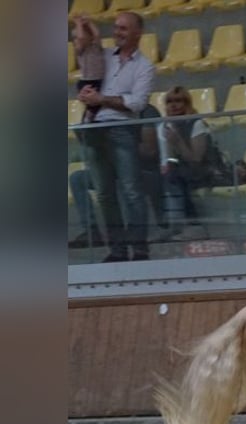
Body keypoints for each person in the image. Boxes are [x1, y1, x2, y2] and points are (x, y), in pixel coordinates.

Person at [77, 11, 155, 262]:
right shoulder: (105, 56)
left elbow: (138, 102)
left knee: (132, 190)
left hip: (122, 129)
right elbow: (86, 54)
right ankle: (118, 249)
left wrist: (101, 100)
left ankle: (139, 248)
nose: (117, 32)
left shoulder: (145, 66)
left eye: (123, 28)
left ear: (137, 32)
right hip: (94, 128)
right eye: (115, 27)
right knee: (104, 193)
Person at [69, 103, 166, 249]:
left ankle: (133, 233)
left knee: (124, 180)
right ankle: (92, 231)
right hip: (107, 167)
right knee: (77, 179)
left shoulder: (146, 111)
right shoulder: (95, 111)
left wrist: (119, 142)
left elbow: (150, 151)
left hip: (141, 169)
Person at [157, 86, 212, 241]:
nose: (173, 105)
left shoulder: (197, 124)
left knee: (177, 175)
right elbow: (166, 158)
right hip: (177, 169)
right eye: (169, 102)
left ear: (187, 103)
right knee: (163, 175)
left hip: (202, 169)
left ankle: (193, 225)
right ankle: (168, 226)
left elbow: (196, 159)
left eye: (178, 101)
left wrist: (177, 141)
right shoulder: (163, 126)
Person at [71, 14, 105, 123]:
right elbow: (81, 38)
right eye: (75, 38)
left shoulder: (96, 46)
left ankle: (91, 119)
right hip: (87, 81)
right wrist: (78, 23)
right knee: (92, 105)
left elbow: (97, 34)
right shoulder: (80, 50)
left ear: (90, 37)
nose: (78, 40)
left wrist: (89, 22)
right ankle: (87, 119)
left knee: (98, 104)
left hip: (99, 80)